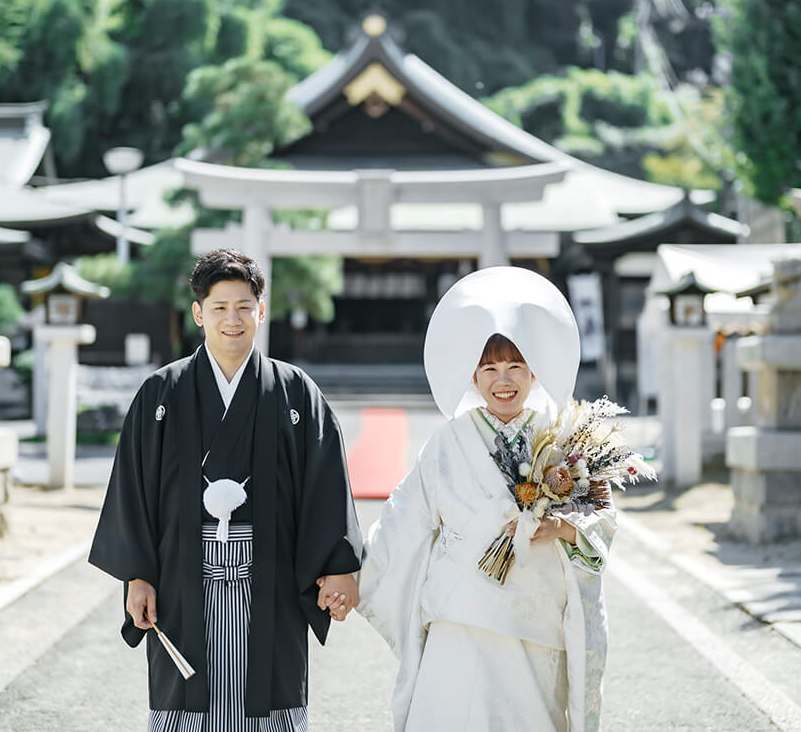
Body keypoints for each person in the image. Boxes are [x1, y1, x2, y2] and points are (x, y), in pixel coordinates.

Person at [89, 248, 362, 732]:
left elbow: (326, 486)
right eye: (218, 307)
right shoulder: (161, 394)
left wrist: (338, 568)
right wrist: (138, 576)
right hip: (180, 580)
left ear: (261, 309)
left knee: (269, 703)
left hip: (271, 581)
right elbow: (133, 490)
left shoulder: (295, 391)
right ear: (199, 314)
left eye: (243, 306)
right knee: (187, 703)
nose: (232, 319)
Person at [357, 266, 616, 732]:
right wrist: (352, 573)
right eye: (490, 368)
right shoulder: (445, 443)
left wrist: (559, 527)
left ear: (534, 372)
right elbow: (404, 518)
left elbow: (601, 515)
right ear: (472, 377)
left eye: (516, 366)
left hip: (537, 614)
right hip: (463, 613)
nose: (504, 380)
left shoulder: (562, 438)